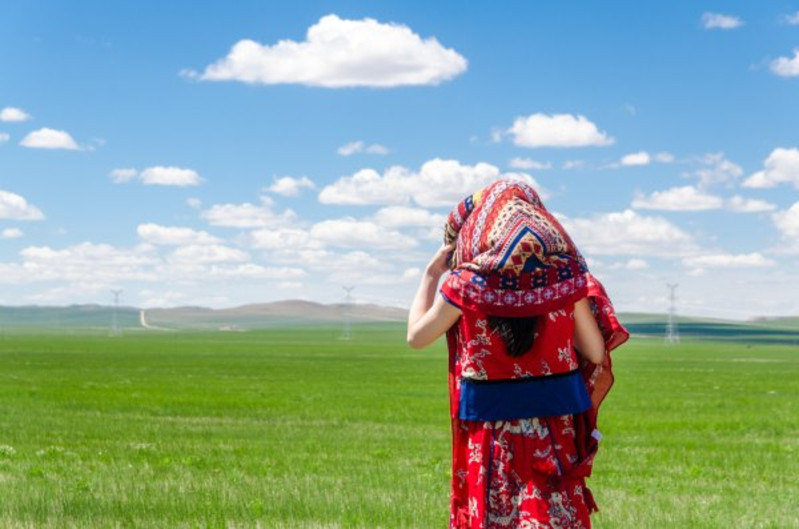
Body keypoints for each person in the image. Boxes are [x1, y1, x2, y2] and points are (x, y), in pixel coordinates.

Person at [407, 179, 629, 529]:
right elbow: (596, 351)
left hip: (491, 438)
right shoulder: (564, 282)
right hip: (553, 436)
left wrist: (430, 275)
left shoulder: (466, 285)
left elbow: (416, 337)